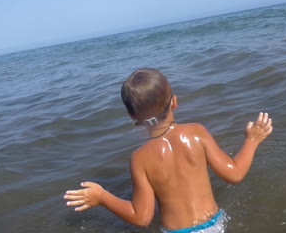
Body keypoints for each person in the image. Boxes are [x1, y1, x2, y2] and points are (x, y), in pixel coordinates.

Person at [64, 68, 273, 232]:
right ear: (174, 101)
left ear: (132, 116)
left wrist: (102, 197)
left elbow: (141, 217)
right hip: (215, 226)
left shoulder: (140, 159)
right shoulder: (196, 132)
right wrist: (252, 140)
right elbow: (234, 174)